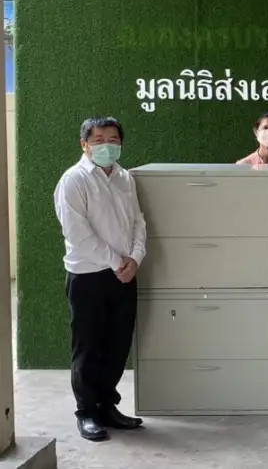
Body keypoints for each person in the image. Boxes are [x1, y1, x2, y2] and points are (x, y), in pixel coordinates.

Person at [54, 117, 146, 441]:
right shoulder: (73, 180)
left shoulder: (124, 177)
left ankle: (107, 406)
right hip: (88, 276)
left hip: (124, 274)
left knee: (117, 344)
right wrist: (118, 261)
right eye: (98, 140)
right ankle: (87, 413)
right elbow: (78, 234)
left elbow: (138, 221)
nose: (107, 145)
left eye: (113, 139)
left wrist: (135, 258)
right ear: (84, 145)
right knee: (88, 346)